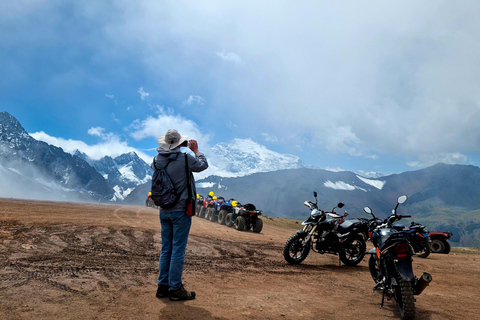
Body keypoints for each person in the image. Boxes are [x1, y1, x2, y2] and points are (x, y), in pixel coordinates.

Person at [153, 129, 208, 301]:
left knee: (166, 249)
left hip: (164, 210)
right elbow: (203, 165)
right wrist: (196, 151)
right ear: (179, 144)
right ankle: (175, 288)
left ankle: (162, 286)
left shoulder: (156, 160)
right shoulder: (185, 158)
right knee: (178, 250)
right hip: (181, 211)